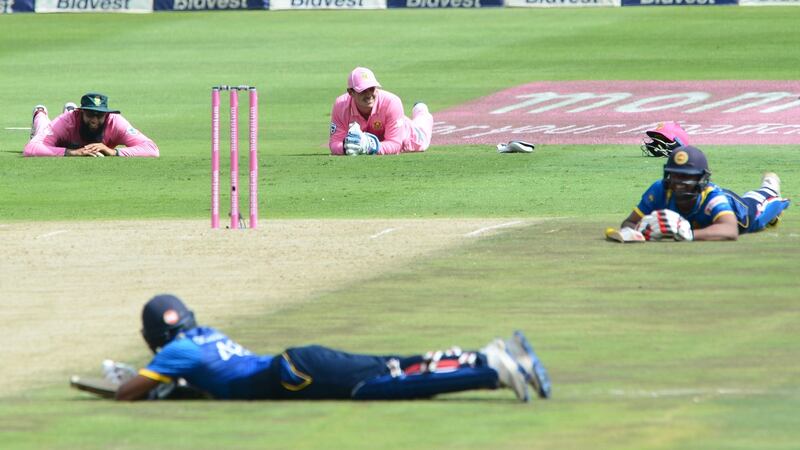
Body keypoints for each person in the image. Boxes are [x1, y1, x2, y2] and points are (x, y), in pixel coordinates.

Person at [112, 294, 551, 403]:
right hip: (295, 362)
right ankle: (486, 355)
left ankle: (493, 368)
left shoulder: (172, 355)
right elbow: (209, 378)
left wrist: (142, 381)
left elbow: (122, 394)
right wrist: (169, 385)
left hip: (294, 373)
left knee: (377, 387)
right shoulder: (202, 335)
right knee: (392, 367)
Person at [619, 145, 790, 241]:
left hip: (740, 214)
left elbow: (730, 230)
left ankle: (769, 186)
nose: (679, 183)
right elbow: (629, 222)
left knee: (765, 209)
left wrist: (690, 234)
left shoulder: (712, 197)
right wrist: (636, 232)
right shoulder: (659, 190)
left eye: (687, 177)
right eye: (675, 175)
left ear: (701, 179)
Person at [329, 67, 433, 156]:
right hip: (388, 127)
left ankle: (421, 110)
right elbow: (334, 143)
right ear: (351, 92)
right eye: (363, 91)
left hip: (409, 137)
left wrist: (369, 147)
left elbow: (395, 144)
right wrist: (345, 147)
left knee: (422, 130)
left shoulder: (392, 102)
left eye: (372, 88)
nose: (369, 94)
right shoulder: (340, 105)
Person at [24, 92, 159, 157]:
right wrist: (72, 152)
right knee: (41, 131)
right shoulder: (67, 121)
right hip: (64, 138)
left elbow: (152, 149)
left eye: (99, 115)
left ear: (107, 114)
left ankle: (68, 108)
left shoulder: (116, 122)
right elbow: (31, 149)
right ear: (81, 112)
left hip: (69, 129)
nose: (94, 120)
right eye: (90, 114)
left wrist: (114, 152)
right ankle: (40, 113)